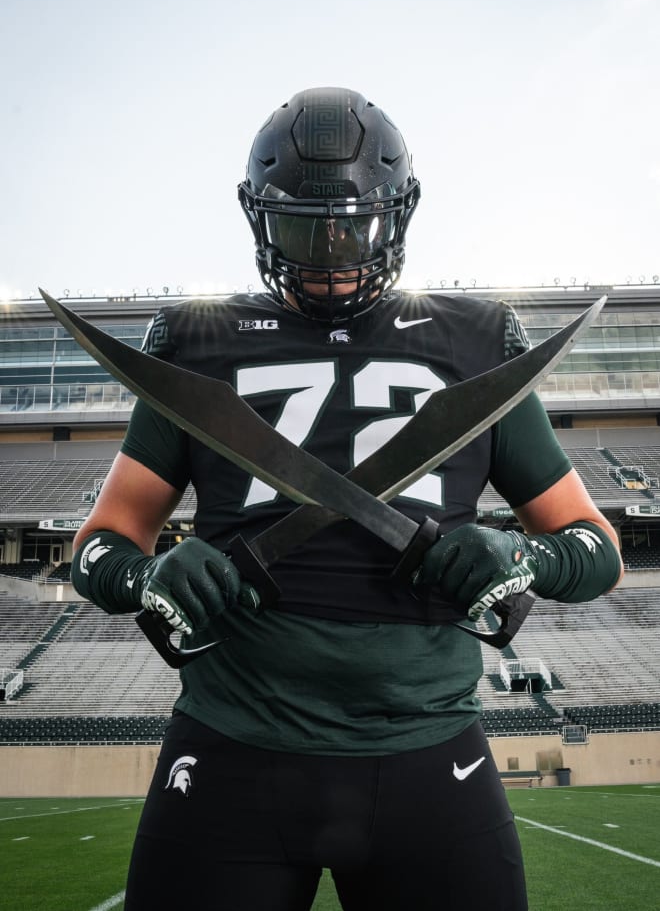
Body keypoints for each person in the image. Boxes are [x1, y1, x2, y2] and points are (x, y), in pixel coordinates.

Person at [71, 87, 623, 911]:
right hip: (232, 745)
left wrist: (525, 556)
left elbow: (595, 546)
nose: (332, 253)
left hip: (429, 750)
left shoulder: (474, 343)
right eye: (303, 227)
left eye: (354, 225)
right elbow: (101, 543)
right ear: (259, 220)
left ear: (398, 215)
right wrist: (147, 575)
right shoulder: (196, 344)